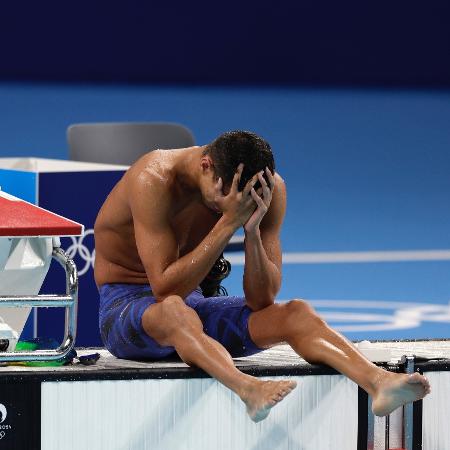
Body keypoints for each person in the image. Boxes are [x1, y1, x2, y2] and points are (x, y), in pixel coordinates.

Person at [94, 130, 430, 423]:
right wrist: (228, 224)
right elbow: (165, 288)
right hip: (126, 309)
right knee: (175, 311)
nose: (230, 205)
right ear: (205, 165)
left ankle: (378, 382)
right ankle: (248, 388)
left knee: (296, 312)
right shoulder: (152, 179)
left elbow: (261, 300)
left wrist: (251, 232)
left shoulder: (267, 189)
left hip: (190, 306)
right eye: (222, 201)